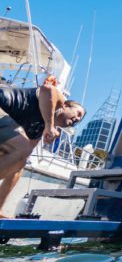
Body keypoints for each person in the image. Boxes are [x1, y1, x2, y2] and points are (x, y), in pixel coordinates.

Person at [0, 83, 85, 216]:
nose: (77, 119)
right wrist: (50, 126)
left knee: (18, 165)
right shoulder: (59, 103)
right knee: (21, 149)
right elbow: (47, 89)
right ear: (66, 105)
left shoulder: (38, 130)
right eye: (78, 113)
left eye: (80, 119)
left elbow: (23, 154)